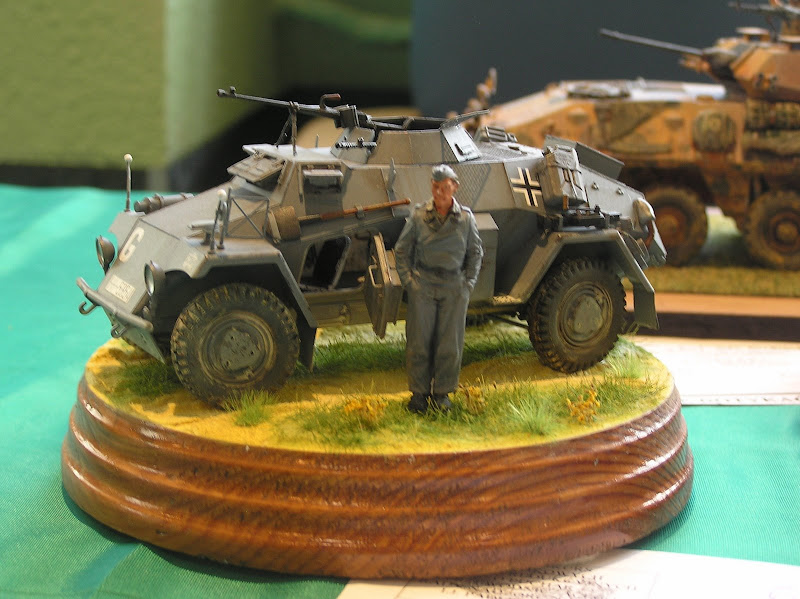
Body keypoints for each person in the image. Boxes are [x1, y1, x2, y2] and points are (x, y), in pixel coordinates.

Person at [394, 164, 484, 414]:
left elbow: (475, 253)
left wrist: (468, 284)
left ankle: (442, 393)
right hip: (423, 284)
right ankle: (419, 393)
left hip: (453, 286)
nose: (439, 192)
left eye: (444, 187)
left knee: (449, 343)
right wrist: (409, 282)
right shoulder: (419, 216)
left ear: (454, 187)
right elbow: (401, 250)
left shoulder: (465, 219)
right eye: (435, 187)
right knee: (418, 342)